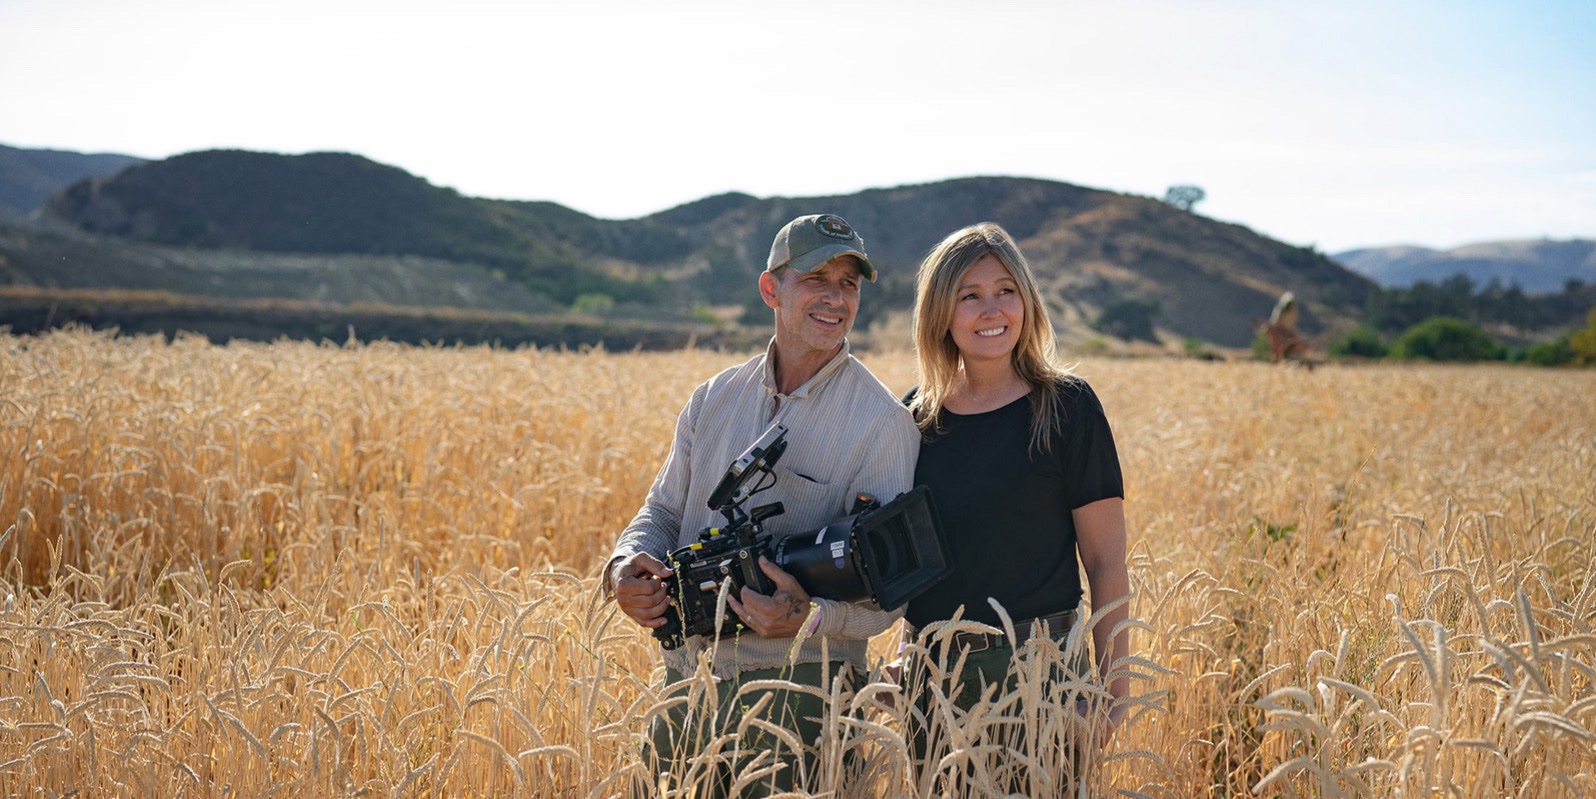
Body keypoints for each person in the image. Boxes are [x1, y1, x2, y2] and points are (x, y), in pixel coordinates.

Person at [605, 213, 920, 796]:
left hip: (802, 699)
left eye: (848, 283)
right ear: (771, 289)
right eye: (816, 278)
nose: (835, 298)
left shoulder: (884, 425)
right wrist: (625, 567)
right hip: (685, 686)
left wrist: (808, 618)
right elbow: (663, 511)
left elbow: (890, 593)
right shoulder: (713, 397)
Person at [900, 222, 1131, 790]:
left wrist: (1114, 695)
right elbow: (912, 560)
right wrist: (904, 656)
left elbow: (1106, 561)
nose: (992, 309)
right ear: (941, 314)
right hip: (937, 684)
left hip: (1045, 677)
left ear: (1027, 300)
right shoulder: (913, 419)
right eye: (969, 295)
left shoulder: (1068, 408)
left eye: (1006, 290)